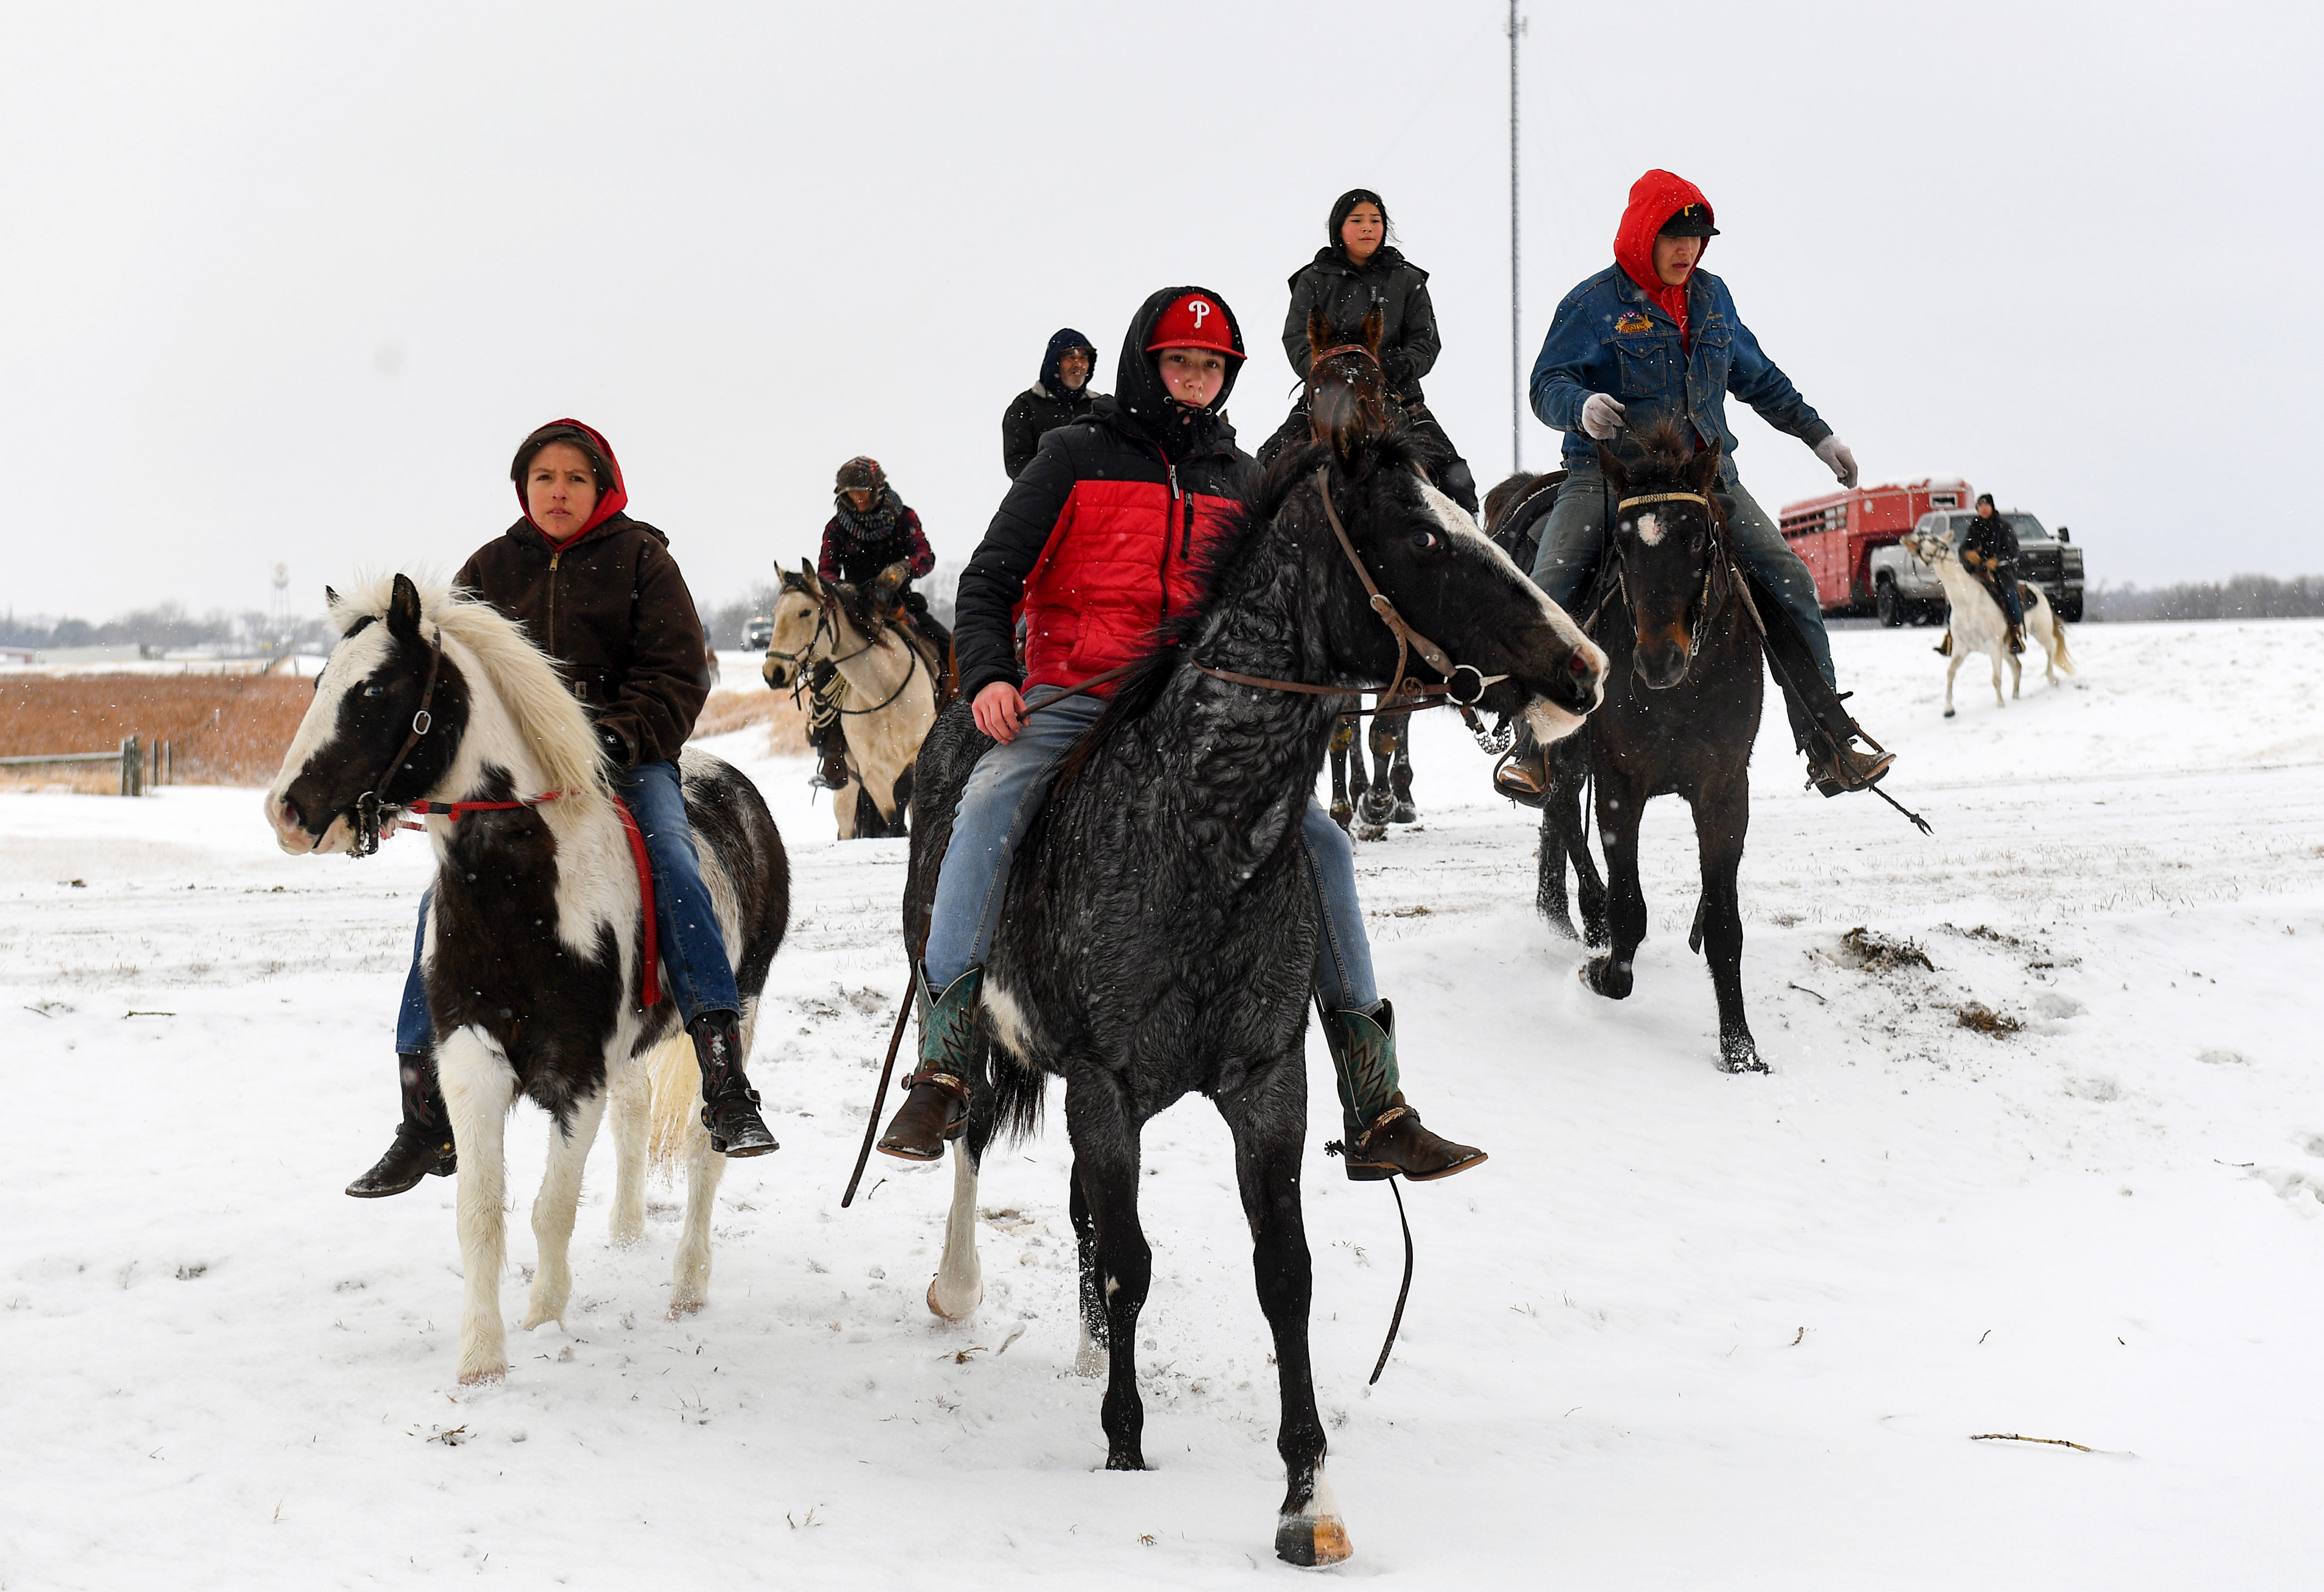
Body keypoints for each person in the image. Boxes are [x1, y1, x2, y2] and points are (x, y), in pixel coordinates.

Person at [875, 286, 1484, 1183]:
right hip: (1079, 694)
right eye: (1180, 362)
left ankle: (1376, 1100)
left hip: (1194, 720)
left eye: (1212, 367)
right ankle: (947, 1059)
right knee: (990, 798)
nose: (1196, 380)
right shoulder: (1070, 456)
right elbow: (993, 576)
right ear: (1145, 364)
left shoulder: (1238, 477)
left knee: (1322, 841)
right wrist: (993, 672)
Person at [345, 419, 778, 1197]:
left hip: (625, 766)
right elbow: (449, 693)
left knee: (676, 863)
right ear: (524, 488)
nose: (558, 491)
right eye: (543, 477)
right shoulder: (490, 569)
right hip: (514, 784)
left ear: (602, 486)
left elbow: (678, 675)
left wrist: (614, 737)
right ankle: (423, 1115)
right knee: (438, 906)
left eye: (575, 478)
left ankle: (722, 1071)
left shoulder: (644, 561)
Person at [1525, 169, 1895, 797]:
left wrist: (1817, 435)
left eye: (1698, 240)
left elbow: (1758, 377)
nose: (1687, 251)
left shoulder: (1712, 298)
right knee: (1551, 585)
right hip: (1609, 476)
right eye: (1675, 238)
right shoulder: (1592, 305)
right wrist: (1580, 405)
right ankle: (1533, 744)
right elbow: (1546, 385)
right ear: (1646, 235)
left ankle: (1828, 740)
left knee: (1789, 578)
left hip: (1704, 480)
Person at [1262, 189, 1477, 512]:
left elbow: (1425, 340)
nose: (1367, 228)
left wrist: (1396, 367)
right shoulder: (1312, 279)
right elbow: (1296, 338)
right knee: (1267, 465)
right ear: (1339, 228)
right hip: (1325, 395)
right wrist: (1327, 372)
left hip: (1399, 395)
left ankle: (1465, 543)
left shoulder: (1407, 279)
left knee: (1455, 478)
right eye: (1357, 220)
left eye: (1375, 221)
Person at [807, 457, 947, 790]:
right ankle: (833, 754)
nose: (858, 499)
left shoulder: (903, 517)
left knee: (948, 646)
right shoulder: (836, 526)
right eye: (851, 493)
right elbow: (825, 571)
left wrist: (903, 568)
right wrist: (839, 588)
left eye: (863, 492)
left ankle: (954, 723)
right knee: (823, 670)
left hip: (898, 603)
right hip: (853, 611)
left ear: (877, 490)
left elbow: (924, 555)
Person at [1001, 329, 1108, 480]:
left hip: (1094, 500)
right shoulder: (1025, 407)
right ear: (1054, 363)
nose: (1078, 364)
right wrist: (1058, 483)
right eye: (1070, 357)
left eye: (1083, 358)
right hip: (1044, 500)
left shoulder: (1101, 407)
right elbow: (1017, 463)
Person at [1956, 493, 2026, 652]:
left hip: (2001, 572)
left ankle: (2015, 631)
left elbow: (2013, 552)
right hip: (1978, 573)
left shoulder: (2003, 527)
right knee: (1956, 596)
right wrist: (1967, 554)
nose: (1984, 509)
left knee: (2010, 593)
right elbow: (1963, 548)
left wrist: (1997, 560)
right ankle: (1951, 634)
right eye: (1980, 506)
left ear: (1992, 507)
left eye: (1986, 505)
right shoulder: (1974, 527)